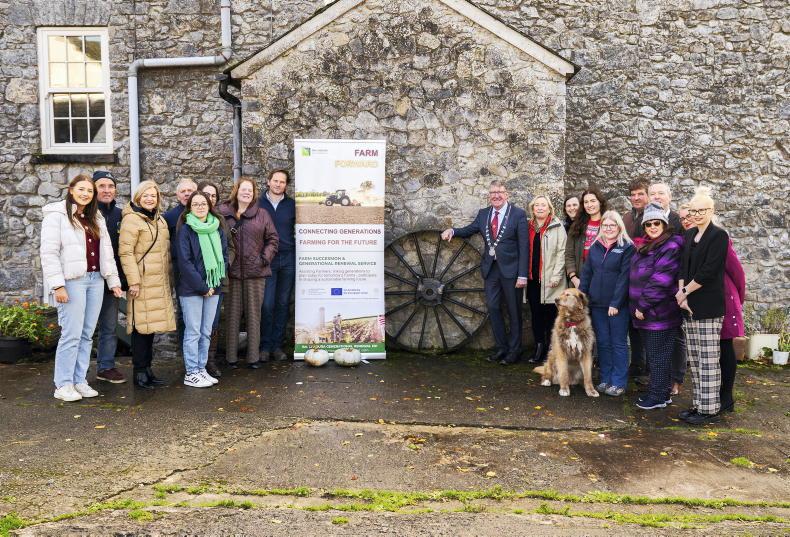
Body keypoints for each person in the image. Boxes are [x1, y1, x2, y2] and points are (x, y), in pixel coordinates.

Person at [40, 174, 123, 402]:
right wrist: (58, 285)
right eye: (82, 189)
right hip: (72, 281)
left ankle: (79, 380)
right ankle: (63, 384)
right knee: (71, 334)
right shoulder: (56, 215)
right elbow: (49, 253)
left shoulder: (94, 216)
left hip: (95, 280)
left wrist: (113, 281)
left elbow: (106, 252)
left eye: (89, 191)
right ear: (71, 190)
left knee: (87, 334)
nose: (86, 194)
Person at [441, 180, 528, 365]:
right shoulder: (484, 214)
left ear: (507, 194)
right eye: (493, 192)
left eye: (500, 192)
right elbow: (469, 230)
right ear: (489, 195)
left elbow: (524, 246)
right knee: (493, 308)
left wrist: (522, 274)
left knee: (514, 311)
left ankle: (514, 351)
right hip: (491, 270)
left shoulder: (518, 214)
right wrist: (453, 230)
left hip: (512, 271)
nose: (496, 195)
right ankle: (501, 348)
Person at [676, 187, 730, 425]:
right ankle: (698, 404)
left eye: (701, 210)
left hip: (708, 306)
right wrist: (681, 294)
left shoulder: (719, 236)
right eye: (693, 210)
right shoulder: (689, 235)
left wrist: (686, 290)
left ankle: (709, 409)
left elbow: (709, 271)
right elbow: (683, 267)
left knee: (708, 359)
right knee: (695, 359)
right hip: (688, 305)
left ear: (712, 210)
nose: (696, 214)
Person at [119, 180, 176, 389]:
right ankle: (139, 372)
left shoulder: (159, 220)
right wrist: (133, 280)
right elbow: (126, 252)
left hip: (158, 281)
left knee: (150, 328)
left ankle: (148, 369)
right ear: (138, 198)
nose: (150, 199)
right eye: (146, 195)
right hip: (141, 283)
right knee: (140, 329)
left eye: (153, 195)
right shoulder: (132, 220)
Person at [217, 177, 279, 369]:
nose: (246, 193)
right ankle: (231, 358)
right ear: (236, 191)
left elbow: (273, 239)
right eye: (243, 189)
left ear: (253, 194)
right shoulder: (222, 212)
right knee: (232, 316)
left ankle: (253, 358)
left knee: (254, 316)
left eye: (250, 191)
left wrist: (264, 259)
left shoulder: (262, 214)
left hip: (256, 273)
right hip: (232, 272)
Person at [629, 203, 684, 409]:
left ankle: (658, 396)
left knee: (659, 356)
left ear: (664, 224)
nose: (652, 227)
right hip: (647, 314)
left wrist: (642, 306)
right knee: (655, 356)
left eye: (656, 223)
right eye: (648, 224)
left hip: (658, 314)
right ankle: (660, 392)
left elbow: (660, 281)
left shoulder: (670, 246)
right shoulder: (648, 245)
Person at [176, 191, 228, 388]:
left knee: (206, 331)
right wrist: (202, 287)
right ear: (190, 207)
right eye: (195, 204)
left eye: (203, 204)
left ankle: (201, 368)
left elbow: (223, 257)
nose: (200, 207)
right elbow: (185, 262)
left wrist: (213, 286)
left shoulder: (217, 227)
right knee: (193, 331)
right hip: (192, 289)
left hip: (214, 287)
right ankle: (191, 372)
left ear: (209, 206)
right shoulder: (186, 230)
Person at [579, 210, 634, 396]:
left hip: (617, 306)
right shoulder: (595, 247)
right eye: (605, 225)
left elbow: (624, 278)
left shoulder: (627, 247)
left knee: (618, 342)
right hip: (596, 304)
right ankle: (605, 378)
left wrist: (616, 303)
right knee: (602, 342)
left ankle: (619, 382)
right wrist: (582, 299)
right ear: (601, 227)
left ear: (619, 227)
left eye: (612, 225)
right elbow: (587, 274)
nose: (608, 228)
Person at [92, 171, 127, 384]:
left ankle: (105, 367)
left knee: (109, 327)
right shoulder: (84, 213)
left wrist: (122, 280)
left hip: (111, 281)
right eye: (102, 186)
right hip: (87, 278)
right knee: (83, 329)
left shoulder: (121, 215)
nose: (107, 190)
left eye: (110, 186)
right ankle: (75, 373)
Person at [258, 169, 296, 362]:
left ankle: (277, 347)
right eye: (275, 181)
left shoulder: (292, 205)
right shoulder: (258, 204)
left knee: (282, 303)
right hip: (267, 260)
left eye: (282, 182)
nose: (278, 184)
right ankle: (264, 346)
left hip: (288, 258)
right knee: (267, 304)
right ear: (268, 181)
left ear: (286, 185)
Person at [525, 195, 567, 364]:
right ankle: (539, 347)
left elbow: (562, 252)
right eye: (537, 205)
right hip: (533, 279)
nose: (540, 208)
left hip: (551, 280)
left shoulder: (557, 226)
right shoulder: (528, 227)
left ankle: (551, 350)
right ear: (532, 209)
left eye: (543, 205)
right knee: (535, 315)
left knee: (550, 316)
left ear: (550, 208)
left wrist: (557, 275)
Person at [163, 178, 198, 348]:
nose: (186, 194)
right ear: (177, 195)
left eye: (189, 190)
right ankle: (185, 351)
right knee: (184, 310)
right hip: (180, 270)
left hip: (201, 269)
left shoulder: (203, 213)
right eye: (183, 191)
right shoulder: (169, 217)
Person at [621, 178, 650, 380]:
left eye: (640, 193)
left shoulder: (654, 217)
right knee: (633, 325)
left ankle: (650, 368)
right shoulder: (627, 218)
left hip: (648, 280)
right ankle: (637, 363)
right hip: (629, 278)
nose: (636, 197)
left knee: (648, 325)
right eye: (633, 194)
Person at [197, 180, 225, 378]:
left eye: (213, 195)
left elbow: (228, 248)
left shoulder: (219, 220)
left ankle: (210, 361)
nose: (210, 198)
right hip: (195, 281)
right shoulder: (188, 220)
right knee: (194, 325)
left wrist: (222, 264)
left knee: (212, 323)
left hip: (217, 279)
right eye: (207, 194)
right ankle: (194, 364)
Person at [565, 187, 607, 289]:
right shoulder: (577, 225)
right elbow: (569, 254)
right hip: (578, 280)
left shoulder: (609, 224)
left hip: (602, 280)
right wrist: (574, 278)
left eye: (593, 201)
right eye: (586, 202)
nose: (589, 205)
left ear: (600, 202)